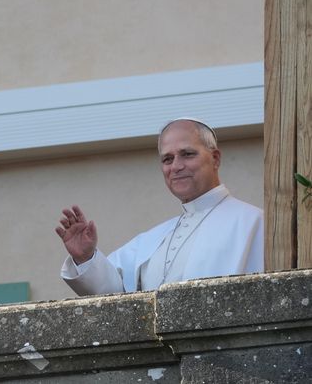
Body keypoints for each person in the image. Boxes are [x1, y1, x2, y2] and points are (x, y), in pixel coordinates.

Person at [55, 118, 263, 295]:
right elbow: (115, 298)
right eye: (167, 159)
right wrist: (85, 257)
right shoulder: (153, 239)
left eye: (187, 154)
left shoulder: (254, 223)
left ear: (215, 158)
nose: (176, 166)